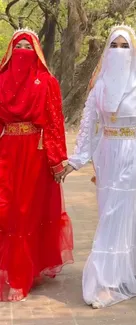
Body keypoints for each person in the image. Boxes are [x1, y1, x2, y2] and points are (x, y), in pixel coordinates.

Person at [63, 24, 136, 308]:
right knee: (110, 213)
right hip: (106, 157)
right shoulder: (99, 86)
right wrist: (76, 160)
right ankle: (127, 271)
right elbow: (90, 125)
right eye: (113, 46)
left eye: (124, 46)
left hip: (135, 154)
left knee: (120, 213)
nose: (118, 51)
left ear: (133, 51)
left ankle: (107, 281)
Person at [0, 28, 73, 302]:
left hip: (29, 154)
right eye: (19, 47)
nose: (22, 54)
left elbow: (54, 124)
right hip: (18, 153)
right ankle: (14, 270)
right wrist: (57, 161)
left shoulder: (46, 82)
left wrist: (55, 161)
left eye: (27, 48)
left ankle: (23, 270)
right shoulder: (38, 80)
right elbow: (54, 125)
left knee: (24, 209)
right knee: (11, 209)